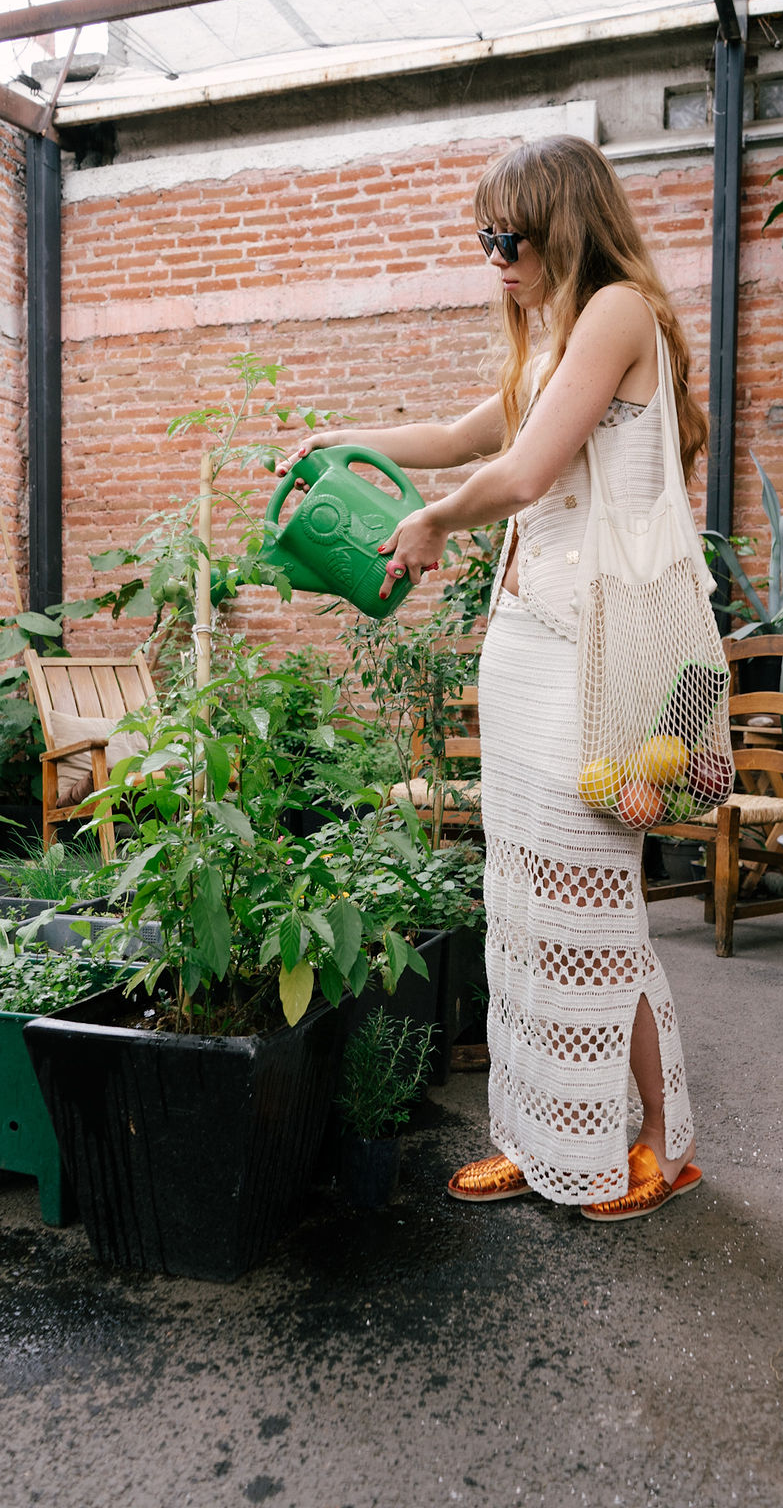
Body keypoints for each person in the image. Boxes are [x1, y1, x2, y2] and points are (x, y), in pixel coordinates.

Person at [277, 134, 708, 1222]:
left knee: (592, 911)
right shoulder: (555, 337)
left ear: (562, 224)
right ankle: (539, 1136)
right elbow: (462, 432)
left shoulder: (617, 313)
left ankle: (658, 1143)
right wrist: (344, 441)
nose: (493, 258)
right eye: (483, 238)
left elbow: (519, 472)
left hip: (593, 656)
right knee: (518, 911)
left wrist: (428, 522)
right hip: (525, 650)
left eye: (506, 236)